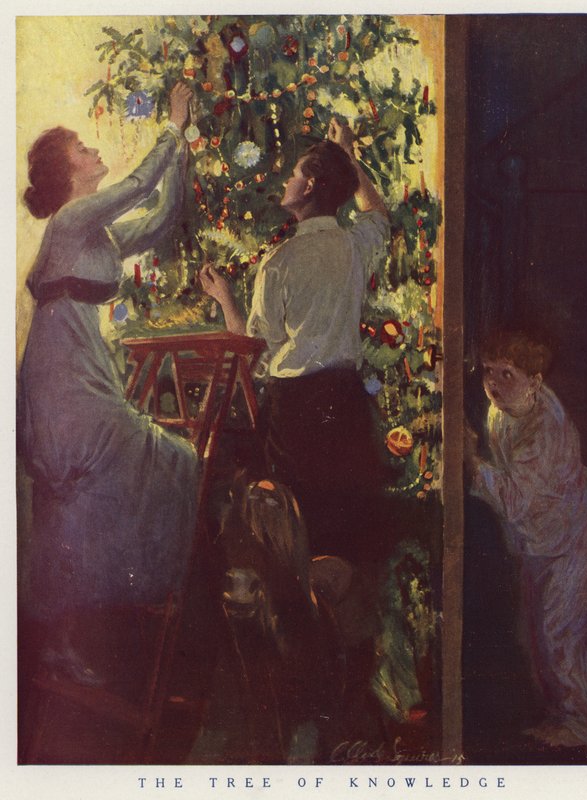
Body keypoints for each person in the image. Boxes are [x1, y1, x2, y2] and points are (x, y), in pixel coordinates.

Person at [18, 82, 199, 684]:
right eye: (82, 148)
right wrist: (171, 127)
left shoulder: (100, 238)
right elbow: (137, 187)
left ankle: (68, 635)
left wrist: (185, 153)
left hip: (81, 379)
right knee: (163, 458)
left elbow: (163, 214)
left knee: (95, 497)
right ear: (62, 170)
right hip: (62, 388)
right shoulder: (72, 219)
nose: (94, 152)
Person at [200, 117, 391, 561]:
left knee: (294, 526)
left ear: (309, 189)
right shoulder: (353, 245)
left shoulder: (280, 262)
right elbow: (377, 213)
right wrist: (347, 155)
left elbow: (254, 352)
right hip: (345, 403)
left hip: (296, 410)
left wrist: (225, 299)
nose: (286, 180)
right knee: (338, 532)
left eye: (294, 174)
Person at [464, 330, 587, 747]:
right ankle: (563, 720)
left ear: (535, 380)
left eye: (506, 374)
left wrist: (473, 463)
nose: (493, 383)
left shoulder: (545, 426)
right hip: (540, 540)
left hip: (572, 540)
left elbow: (514, 499)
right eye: (488, 372)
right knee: (540, 640)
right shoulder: (503, 409)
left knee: (563, 638)